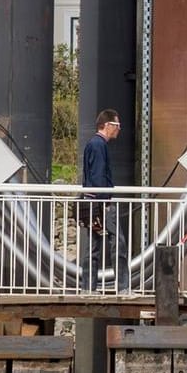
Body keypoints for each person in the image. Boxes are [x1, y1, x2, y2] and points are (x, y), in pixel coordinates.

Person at [79, 109, 121, 292]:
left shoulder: (94, 144)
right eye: (117, 125)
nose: (119, 129)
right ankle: (123, 286)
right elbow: (98, 176)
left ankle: (89, 286)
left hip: (92, 202)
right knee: (118, 242)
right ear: (108, 125)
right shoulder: (98, 145)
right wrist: (105, 202)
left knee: (93, 245)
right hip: (100, 203)